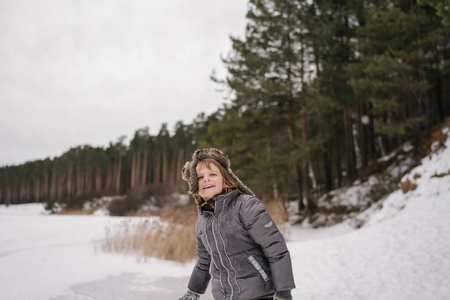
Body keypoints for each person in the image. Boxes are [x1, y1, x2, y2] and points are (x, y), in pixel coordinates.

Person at [177, 148, 295, 300]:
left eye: (213, 174)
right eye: (200, 177)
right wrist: (193, 291)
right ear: (195, 188)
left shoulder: (246, 206)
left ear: (226, 181)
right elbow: (204, 262)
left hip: (259, 294)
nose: (206, 179)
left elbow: (276, 249)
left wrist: (284, 292)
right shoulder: (202, 221)